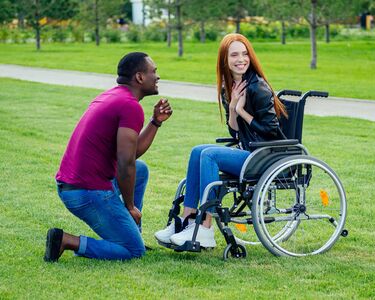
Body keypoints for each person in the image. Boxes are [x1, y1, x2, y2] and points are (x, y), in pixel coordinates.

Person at [154, 33, 286, 248]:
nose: (241, 59)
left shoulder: (258, 88)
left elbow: (271, 130)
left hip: (266, 157)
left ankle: (205, 228)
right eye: (234, 55)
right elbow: (234, 133)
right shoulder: (231, 87)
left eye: (245, 54)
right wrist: (233, 107)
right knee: (198, 151)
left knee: (210, 154)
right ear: (225, 60)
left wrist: (242, 111)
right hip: (249, 152)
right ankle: (187, 221)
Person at [44, 52, 173, 262]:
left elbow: (131, 154)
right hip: (86, 191)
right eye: (154, 71)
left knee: (141, 170)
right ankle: (66, 240)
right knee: (133, 251)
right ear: (139, 77)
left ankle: (131, 231)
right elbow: (124, 163)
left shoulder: (113, 96)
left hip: (74, 185)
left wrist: (155, 122)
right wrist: (130, 206)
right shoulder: (129, 105)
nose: (157, 76)